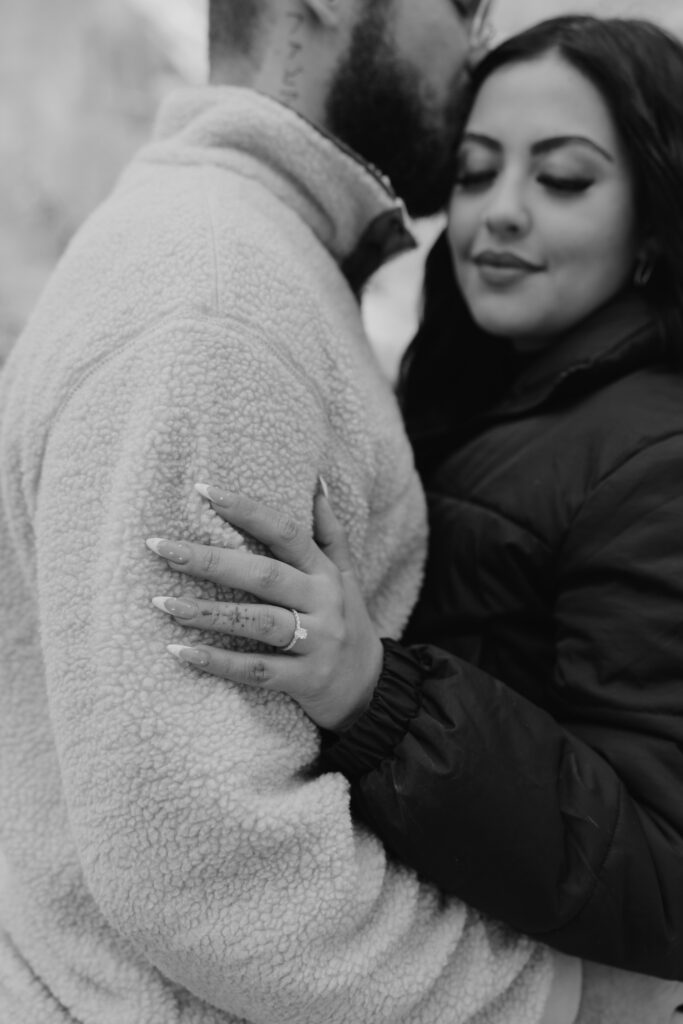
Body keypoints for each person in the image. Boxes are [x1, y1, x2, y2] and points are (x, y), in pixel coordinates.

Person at [0, 0, 643, 1021]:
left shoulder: (254, 261)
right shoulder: (218, 300)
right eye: (462, 3)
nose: (476, 41)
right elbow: (201, 854)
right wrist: (555, 997)